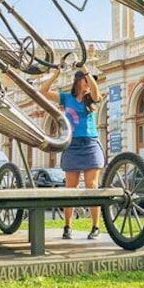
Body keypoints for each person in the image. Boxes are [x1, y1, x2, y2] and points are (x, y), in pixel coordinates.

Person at [40, 64, 103, 240]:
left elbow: (97, 93)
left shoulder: (92, 98)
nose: (89, 83)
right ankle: (67, 226)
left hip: (90, 144)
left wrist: (87, 70)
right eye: (85, 80)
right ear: (78, 81)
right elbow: (43, 91)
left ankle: (95, 226)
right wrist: (56, 74)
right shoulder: (66, 98)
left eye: (90, 80)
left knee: (92, 187)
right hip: (72, 145)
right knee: (70, 188)